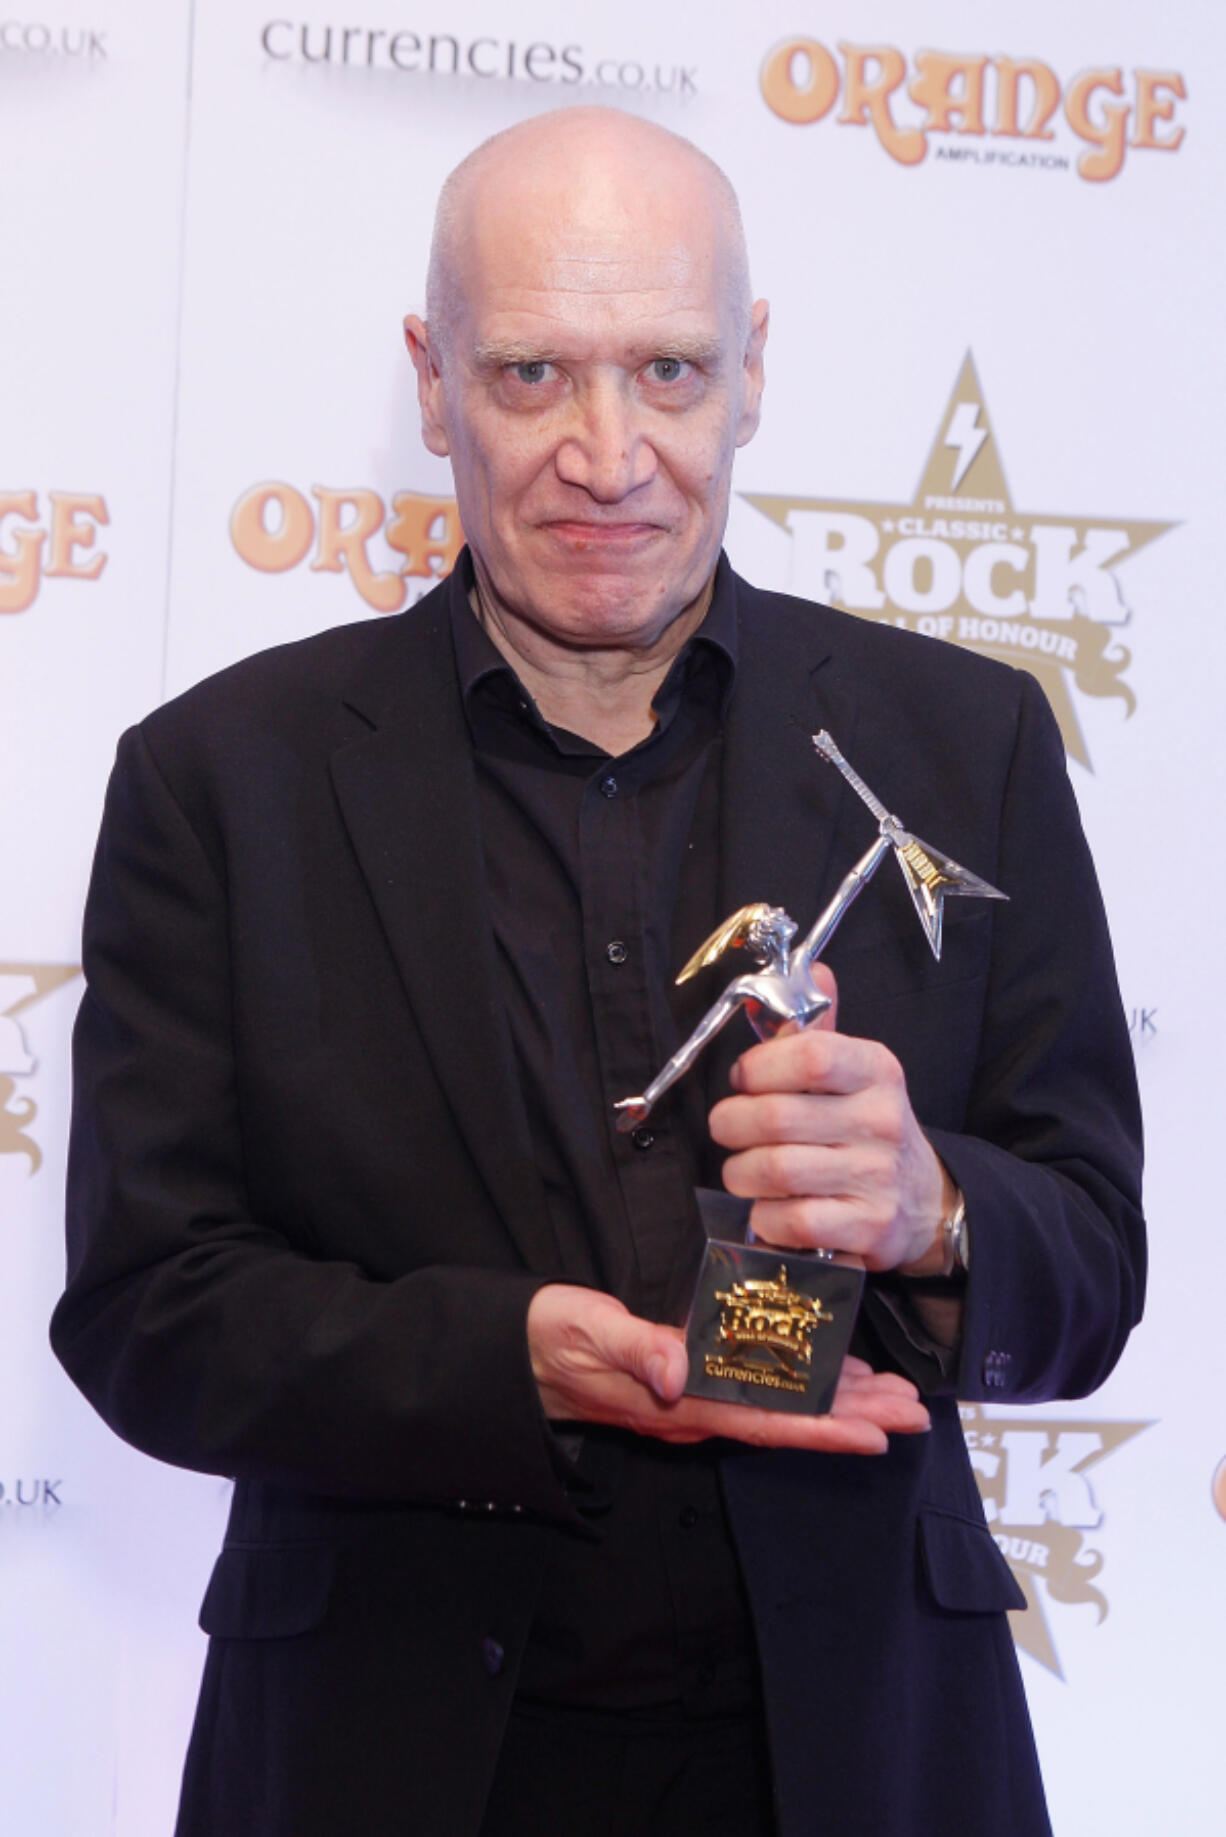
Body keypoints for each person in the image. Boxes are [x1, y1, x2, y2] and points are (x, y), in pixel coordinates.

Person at [52, 108, 1144, 1837]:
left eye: (669, 370)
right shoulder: (223, 778)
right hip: (384, 1758)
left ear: (755, 368)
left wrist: (934, 1211)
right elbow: (148, 1312)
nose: (608, 451)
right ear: (429, 382)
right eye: (532, 374)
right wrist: (513, 1360)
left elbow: (1089, 1264)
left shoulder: (963, 741)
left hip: (861, 1754)